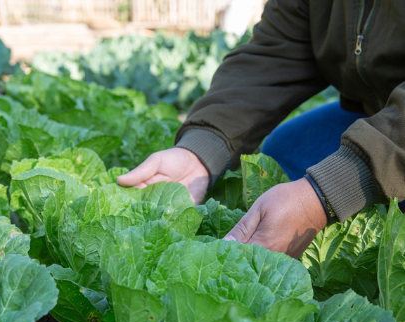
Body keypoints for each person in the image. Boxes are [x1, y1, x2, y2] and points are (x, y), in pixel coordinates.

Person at [118, 0, 405, 258]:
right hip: (377, 109)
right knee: (285, 154)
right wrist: (202, 147)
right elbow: (278, 49)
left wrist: (326, 193)